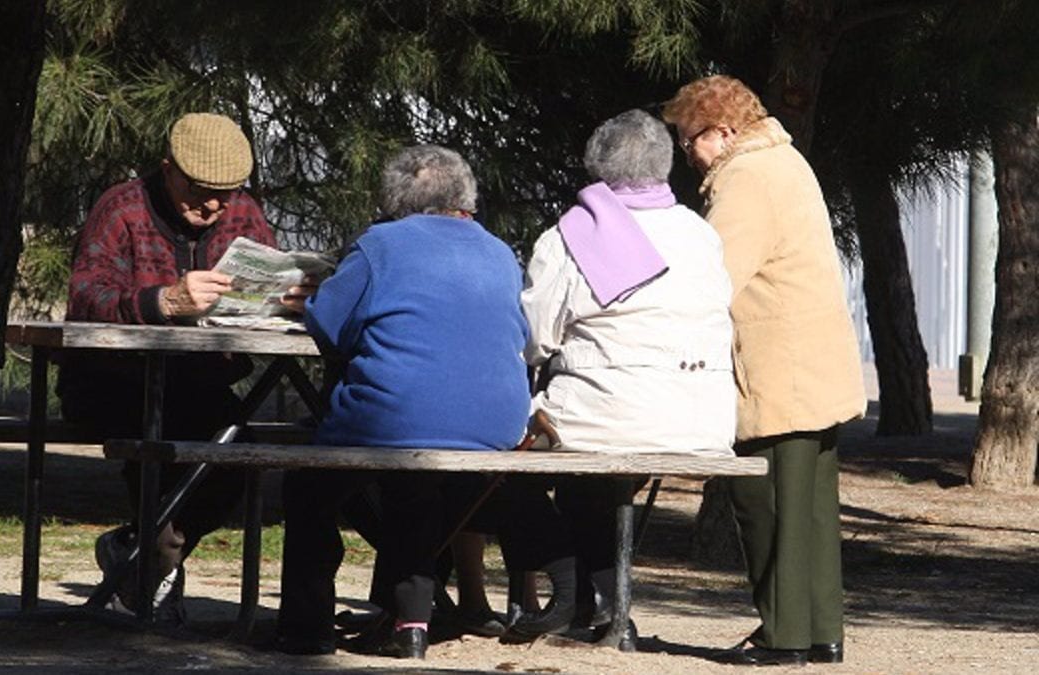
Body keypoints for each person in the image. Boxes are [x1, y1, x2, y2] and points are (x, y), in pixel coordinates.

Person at [269, 145, 532, 659]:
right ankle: (410, 623)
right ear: (465, 198)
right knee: (412, 482)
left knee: (308, 487)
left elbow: (330, 327)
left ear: (393, 201)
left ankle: (307, 629)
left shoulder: (380, 245)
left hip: (392, 420)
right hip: (496, 427)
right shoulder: (500, 251)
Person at [57, 112, 296, 623]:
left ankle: (136, 552)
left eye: (226, 193)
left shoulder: (243, 212)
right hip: (111, 383)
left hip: (201, 382)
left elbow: (267, 283)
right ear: (168, 169)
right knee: (165, 453)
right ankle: (151, 570)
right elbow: (85, 296)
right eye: (200, 189)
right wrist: (160, 301)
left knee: (238, 457)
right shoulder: (120, 208)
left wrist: (287, 299)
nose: (213, 204)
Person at [510, 109, 737, 642]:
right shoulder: (700, 234)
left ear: (594, 165)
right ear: (664, 167)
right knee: (585, 466)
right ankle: (607, 609)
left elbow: (533, 339)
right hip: (700, 417)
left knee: (503, 455)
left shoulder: (569, 236)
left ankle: (579, 596)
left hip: (605, 413)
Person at [662, 75, 866, 666]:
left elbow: (716, 276)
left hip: (779, 370)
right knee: (810, 513)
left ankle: (783, 637)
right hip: (812, 366)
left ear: (722, 131)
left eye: (688, 139)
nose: (687, 153)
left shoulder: (745, 179)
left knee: (767, 504)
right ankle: (819, 631)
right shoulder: (785, 160)